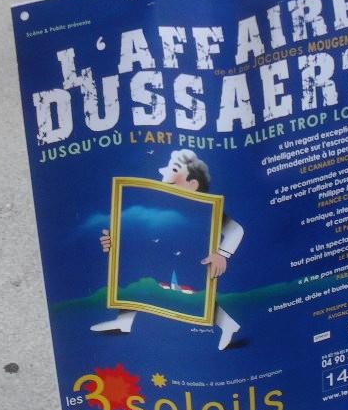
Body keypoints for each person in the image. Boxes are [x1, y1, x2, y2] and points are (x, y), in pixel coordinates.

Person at [91, 149, 244, 351]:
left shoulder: (206, 208)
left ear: (192, 184)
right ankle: (124, 321)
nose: (163, 173)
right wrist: (114, 242)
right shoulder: (155, 205)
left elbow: (236, 230)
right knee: (137, 280)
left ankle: (227, 324)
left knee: (196, 295)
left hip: (192, 257)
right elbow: (134, 233)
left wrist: (222, 255)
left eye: (173, 170)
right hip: (162, 254)